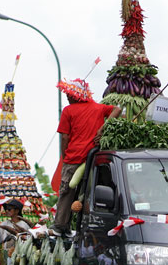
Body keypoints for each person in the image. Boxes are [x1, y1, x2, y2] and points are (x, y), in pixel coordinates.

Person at [52, 78, 121, 234]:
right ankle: (90, 226)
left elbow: (64, 137)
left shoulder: (68, 110)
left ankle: (61, 225)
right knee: (89, 192)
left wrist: (65, 157)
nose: (67, 97)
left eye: (69, 94)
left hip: (74, 158)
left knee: (66, 192)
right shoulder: (98, 108)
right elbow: (117, 109)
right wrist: (103, 128)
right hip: (94, 158)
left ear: (76, 96)